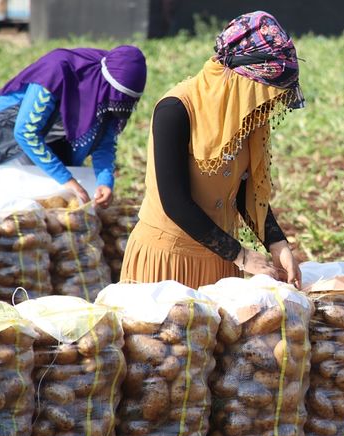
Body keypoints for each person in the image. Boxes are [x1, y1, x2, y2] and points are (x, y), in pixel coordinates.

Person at [121, 11, 304, 289]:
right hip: (168, 261)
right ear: (238, 78)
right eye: (262, 91)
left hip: (219, 262)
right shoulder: (176, 110)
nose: (264, 104)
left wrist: (277, 243)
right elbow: (175, 202)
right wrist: (241, 255)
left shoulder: (246, 114)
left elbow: (245, 190)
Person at [0, 46, 147, 208]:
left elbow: (104, 142)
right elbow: (26, 132)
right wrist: (66, 179)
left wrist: (104, 181)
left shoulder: (107, 95)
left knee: (58, 212)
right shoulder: (57, 71)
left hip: (53, 143)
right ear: (106, 83)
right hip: (5, 141)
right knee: (9, 208)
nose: (116, 103)